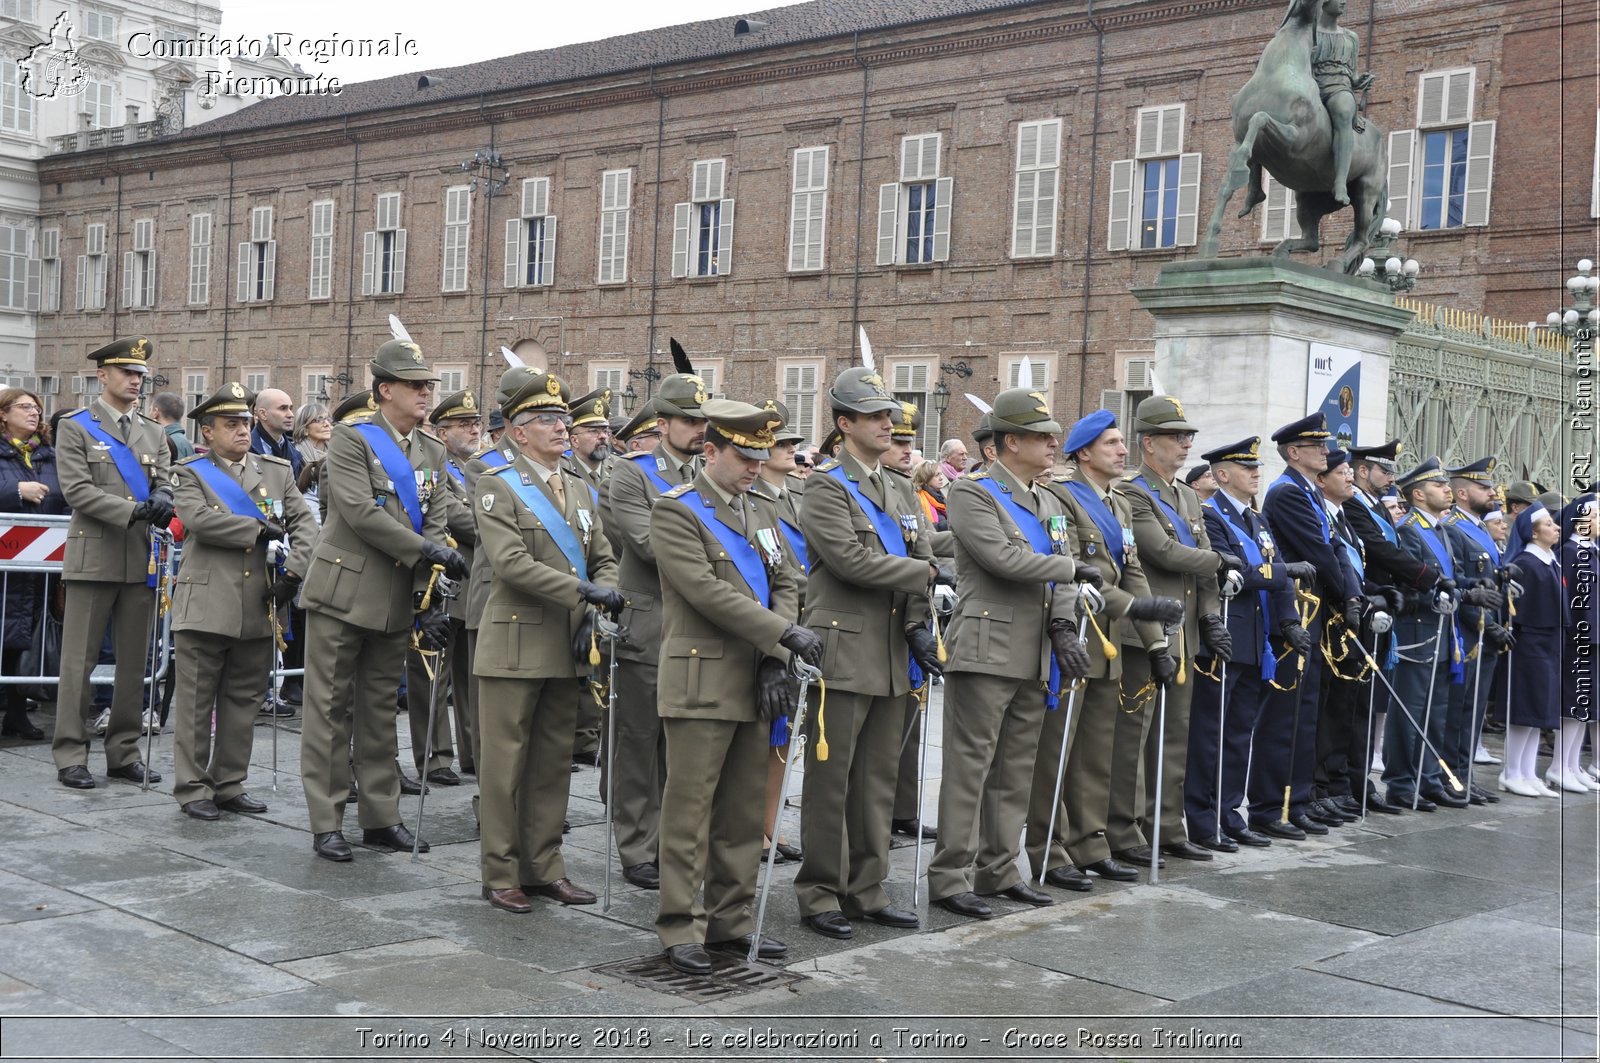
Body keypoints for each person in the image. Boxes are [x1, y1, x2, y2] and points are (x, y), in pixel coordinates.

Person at [651, 399, 811, 974]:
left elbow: (786, 579)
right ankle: (679, 925)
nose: (754, 467)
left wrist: (776, 654)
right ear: (710, 451)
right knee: (690, 809)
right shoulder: (677, 511)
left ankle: (731, 920)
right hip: (702, 676)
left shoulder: (760, 510)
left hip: (758, 677)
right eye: (744, 457)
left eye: (760, 457)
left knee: (744, 810)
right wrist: (783, 635)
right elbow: (704, 591)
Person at [926, 388, 1100, 918]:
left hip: (1036, 649)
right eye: (1042, 436)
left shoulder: (1048, 499)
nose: (1053, 444)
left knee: (1016, 767)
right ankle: (950, 874)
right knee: (970, 766)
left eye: (1052, 435)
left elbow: (1064, 561)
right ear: (1009, 442)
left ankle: (999, 869)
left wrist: (1065, 625)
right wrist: (1069, 572)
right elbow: (1003, 559)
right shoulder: (973, 494)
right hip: (987, 645)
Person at [298, 336, 467, 861]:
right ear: (384, 389)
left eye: (427, 386)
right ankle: (327, 821)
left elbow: (436, 518)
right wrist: (428, 550)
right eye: (415, 386)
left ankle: (380, 816)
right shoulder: (351, 440)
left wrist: (430, 594)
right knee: (329, 709)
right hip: (344, 590)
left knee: (377, 711)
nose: (424, 394)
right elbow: (358, 512)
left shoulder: (432, 450)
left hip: (396, 597)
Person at [794, 369, 939, 937]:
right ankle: (820, 891)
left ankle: (868, 887)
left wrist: (921, 620)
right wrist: (923, 572)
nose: (889, 423)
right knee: (833, 781)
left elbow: (921, 545)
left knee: (878, 779)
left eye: (890, 415)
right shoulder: (825, 486)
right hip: (846, 647)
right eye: (876, 416)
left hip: (891, 649)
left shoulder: (900, 486)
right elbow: (850, 561)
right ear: (844, 424)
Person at [474, 370, 618, 913]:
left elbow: (605, 556)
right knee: (505, 764)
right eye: (546, 420)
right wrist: (587, 595)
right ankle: (500, 871)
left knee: (553, 762)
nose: (561, 427)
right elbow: (511, 564)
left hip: (567, 644)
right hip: (515, 644)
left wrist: (602, 597)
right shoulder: (498, 484)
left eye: (562, 418)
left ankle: (545, 866)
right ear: (516, 431)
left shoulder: (579, 486)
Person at [1027, 408, 1177, 889]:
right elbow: (1069, 568)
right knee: (1057, 752)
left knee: (1094, 751)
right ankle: (1048, 847)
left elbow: (1130, 570)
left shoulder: (1118, 505)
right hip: (1073, 632)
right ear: (1084, 452)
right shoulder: (1061, 498)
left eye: (1121, 442)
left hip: (1108, 638)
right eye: (1111, 443)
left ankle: (1090, 842)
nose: (1121, 450)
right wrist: (1141, 607)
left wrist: (1154, 640)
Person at [167, 384, 316, 820]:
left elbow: (305, 524)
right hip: (208, 600)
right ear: (208, 432)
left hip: (260, 601)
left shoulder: (275, 470)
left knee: (244, 699)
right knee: (196, 702)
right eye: (230, 425)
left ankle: (228, 782)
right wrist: (256, 530)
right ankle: (192, 787)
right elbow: (198, 520)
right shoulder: (190, 471)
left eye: (245, 423)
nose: (242, 432)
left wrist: (294, 573)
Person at [1107, 397, 1233, 869]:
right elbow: (1161, 551)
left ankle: (1167, 824)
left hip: (1184, 632)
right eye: (1176, 437)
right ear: (1148, 443)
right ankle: (1126, 827)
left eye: (1188, 438)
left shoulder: (1184, 494)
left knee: (1174, 733)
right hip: (1145, 630)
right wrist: (1221, 560)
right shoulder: (1134, 491)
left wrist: (1212, 617)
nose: (1186, 444)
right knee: (1135, 735)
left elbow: (1200, 562)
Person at [598, 374, 708, 892]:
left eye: (704, 421)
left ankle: (675, 842)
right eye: (689, 420)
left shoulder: (713, 473)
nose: (700, 429)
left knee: (683, 748)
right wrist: (717, 562)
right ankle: (638, 845)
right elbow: (645, 543)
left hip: (701, 628)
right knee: (639, 744)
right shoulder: (632, 473)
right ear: (661, 425)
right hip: (652, 623)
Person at [51, 338, 173, 789]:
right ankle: (70, 753)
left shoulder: (153, 430)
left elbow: (166, 479)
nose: (137, 381)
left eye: (141, 374)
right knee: (78, 662)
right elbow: (76, 490)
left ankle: (123, 751)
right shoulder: (78, 427)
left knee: (134, 664)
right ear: (102, 375)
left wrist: (163, 496)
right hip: (95, 555)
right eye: (128, 373)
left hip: (140, 558)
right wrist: (133, 511)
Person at [1186, 437, 1306, 850]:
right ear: (1222, 475)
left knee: (1239, 735)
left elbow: (1276, 574)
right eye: (1246, 468)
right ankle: (1203, 821)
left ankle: (1229, 812)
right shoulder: (1210, 517)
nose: (1257, 473)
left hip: (1255, 642)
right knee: (1210, 735)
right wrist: (1279, 571)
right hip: (1223, 640)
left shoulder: (1257, 520)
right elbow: (1237, 572)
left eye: (1256, 467)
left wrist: (1289, 620)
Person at [1254, 413, 1362, 837]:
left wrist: (1351, 594)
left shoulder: (1310, 493)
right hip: (1296, 612)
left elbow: (1337, 546)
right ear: (1294, 452)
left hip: (1316, 613)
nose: (1326, 451)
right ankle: (1275, 804)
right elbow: (1317, 553)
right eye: (1317, 446)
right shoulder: (1288, 494)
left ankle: (1298, 799)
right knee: (1286, 717)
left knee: (1306, 713)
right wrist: (1343, 593)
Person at [1384, 457, 1480, 810]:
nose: (1447, 490)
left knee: (1435, 711)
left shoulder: (1441, 530)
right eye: (1439, 486)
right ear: (1419, 495)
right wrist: (1441, 594)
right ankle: (1400, 782)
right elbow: (1410, 580)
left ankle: (1429, 779)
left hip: (1443, 631)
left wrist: (1474, 587)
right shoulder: (1410, 529)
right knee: (1409, 710)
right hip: (1419, 630)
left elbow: (1450, 578)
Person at [402, 389, 481, 785]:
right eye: (464, 425)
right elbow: (453, 514)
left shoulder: (477, 468)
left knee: (470, 678)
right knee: (433, 675)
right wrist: (497, 521)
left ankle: (471, 752)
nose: (474, 430)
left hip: (473, 585)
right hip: (440, 581)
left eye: (476, 423)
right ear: (441, 432)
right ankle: (434, 756)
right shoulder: (434, 465)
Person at [748, 399, 808, 862]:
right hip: (768, 624)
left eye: (791, 442)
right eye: (781, 443)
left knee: (786, 737)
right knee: (764, 733)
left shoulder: (798, 497)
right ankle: (755, 828)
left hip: (802, 620)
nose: (791, 449)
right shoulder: (752, 500)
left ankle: (771, 822)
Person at [1444, 457, 1511, 804]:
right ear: (1463, 492)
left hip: (1487, 632)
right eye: (1484, 487)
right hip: (1470, 632)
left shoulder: (1479, 526)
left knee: (1474, 710)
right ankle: (1451, 777)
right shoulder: (1453, 526)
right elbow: (1459, 582)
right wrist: (1486, 625)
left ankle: (1465, 774)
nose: (1493, 492)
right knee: (1458, 710)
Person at [0, 386, 66, 739]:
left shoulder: (49, 456)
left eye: (36, 408)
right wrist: (15, 492)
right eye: (24, 407)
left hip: (35, 568)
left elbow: (64, 497)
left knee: (21, 638)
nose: (34, 413)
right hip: (3, 565)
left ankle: (15, 710)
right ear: (3, 414)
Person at [562, 386, 614, 769]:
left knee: (597, 663)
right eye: (594, 430)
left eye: (606, 429)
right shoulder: (565, 473)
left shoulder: (611, 473)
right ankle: (581, 736)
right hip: (571, 580)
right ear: (574, 437)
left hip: (605, 576)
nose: (603, 436)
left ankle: (589, 734)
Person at [1499, 503, 1562, 797]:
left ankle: (1528, 772)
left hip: (1547, 641)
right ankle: (1511, 771)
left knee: (1539, 710)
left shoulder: (1549, 560)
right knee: (1524, 709)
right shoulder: (1526, 563)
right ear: (1533, 533)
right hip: (1529, 643)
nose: (1556, 527)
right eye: (1549, 524)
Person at [1303, 0, 1374, 205]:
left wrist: (1360, 81)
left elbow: (1353, 75)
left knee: (1343, 110)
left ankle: (1340, 182)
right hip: (1311, 86)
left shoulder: (1351, 37)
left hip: (1339, 87)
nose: (1344, 2)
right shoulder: (1309, 33)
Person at [1555, 495, 1598, 792]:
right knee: (1573, 701)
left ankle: (1572, 765)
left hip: (1592, 638)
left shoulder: (1590, 552)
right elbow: (1566, 600)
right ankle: (1560, 765)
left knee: (1585, 703)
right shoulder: (1571, 552)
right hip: (1577, 639)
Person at [249, 388, 305, 481]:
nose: (290, 414)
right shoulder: (245, 450)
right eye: (283, 408)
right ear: (263, 414)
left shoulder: (295, 453)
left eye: (290, 408)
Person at [150, 392, 195, 460]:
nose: (149, 413)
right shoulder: (184, 441)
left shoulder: (164, 442)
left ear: (155, 412)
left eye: (150, 409)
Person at [912, 460, 949, 531]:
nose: (941, 478)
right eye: (937, 475)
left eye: (941, 474)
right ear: (925, 478)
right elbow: (925, 528)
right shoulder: (919, 499)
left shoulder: (943, 496)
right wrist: (948, 524)